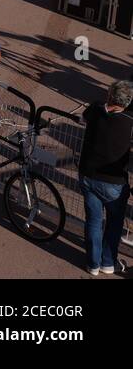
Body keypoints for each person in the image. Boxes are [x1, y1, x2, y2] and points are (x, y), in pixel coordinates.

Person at [77, 81, 133, 275]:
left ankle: (93, 263)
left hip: (88, 174)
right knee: (114, 222)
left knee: (93, 220)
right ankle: (108, 261)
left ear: (109, 96)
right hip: (113, 181)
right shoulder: (129, 120)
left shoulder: (95, 110)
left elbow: (82, 119)